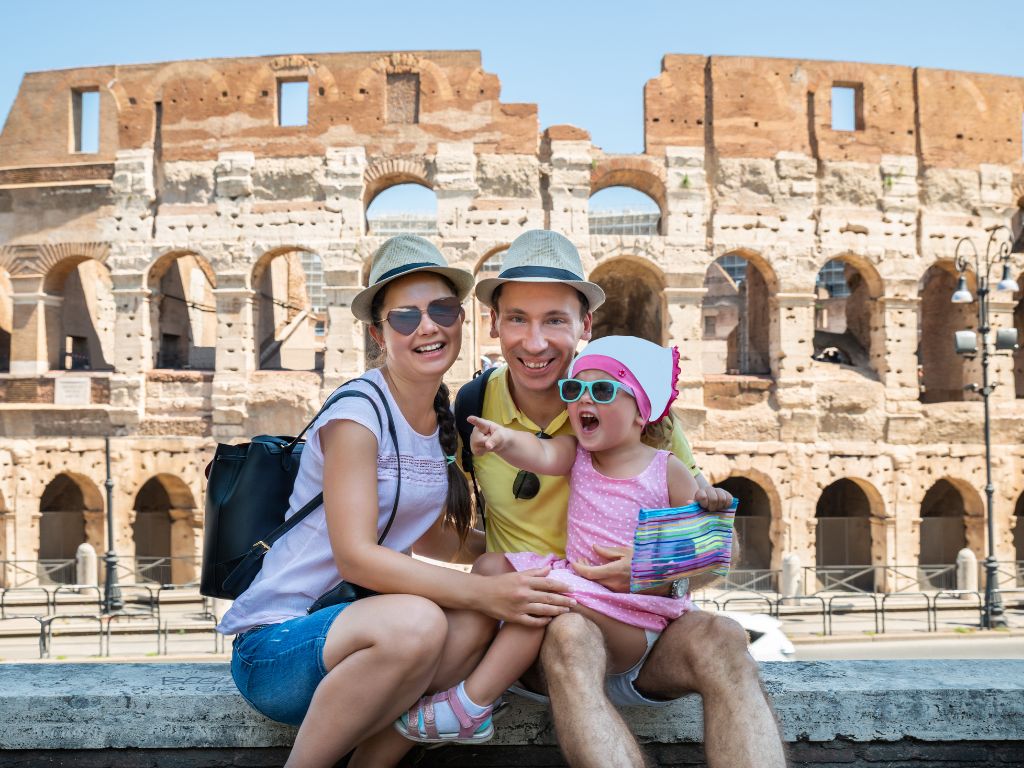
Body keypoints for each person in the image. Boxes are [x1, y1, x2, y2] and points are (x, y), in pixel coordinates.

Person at [216, 235, 573, 768]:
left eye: (442, 310)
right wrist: (488, 593)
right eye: (405, 317)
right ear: (378, 333)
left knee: (476, 613)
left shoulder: (434, 418)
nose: (428, 327)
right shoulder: (357, 415)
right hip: (279, 645)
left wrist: (535, 559)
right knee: (424, 619)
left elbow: (431, 535)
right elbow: (357, 557)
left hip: (352, 637)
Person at [459, 229, 787, 768]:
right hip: (546, 638)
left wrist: (652, 567)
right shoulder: (471, 409)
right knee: (568, 631)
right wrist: (496, 575)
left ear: (585, 325)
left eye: (555, 320)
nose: (535, 342)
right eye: (517, 318)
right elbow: (439, 529)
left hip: (643, 629)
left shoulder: (644, 416)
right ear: (493, 323)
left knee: (725, 639)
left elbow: (709, 544)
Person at [397, 335, 737, 743]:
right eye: (574, 389)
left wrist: (710, 502)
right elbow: (539, 454)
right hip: (581, 585)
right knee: (490, 566)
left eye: (604, 390)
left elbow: (707, 543)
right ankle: (470, 678)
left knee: (537, 598)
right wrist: (504, 440)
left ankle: (472, 703)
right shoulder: (577, 454)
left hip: (633, 611)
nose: (584, 400)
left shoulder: (666, 468)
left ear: (640, 412)